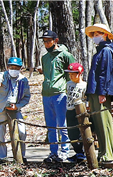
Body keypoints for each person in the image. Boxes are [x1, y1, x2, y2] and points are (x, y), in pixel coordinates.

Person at [38, 30, 77, 163]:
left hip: (61, 94)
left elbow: (71, 75)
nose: (46, 43)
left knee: (62, 124)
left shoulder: (66, 55)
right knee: (51, 126)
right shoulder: (44, 58)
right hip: (47, 94)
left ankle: (65, 151)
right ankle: (53, 152)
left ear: (56, 40)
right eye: (44, 41)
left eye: (49, 40)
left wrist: (68, 91)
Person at [85, 23, 113, 163]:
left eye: (97, 34)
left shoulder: (106, 51)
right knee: (97, 122)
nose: (95, 37)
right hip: (94, 91)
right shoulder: (99, 51)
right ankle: (102, 152)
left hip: (101, 92)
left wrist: (103, 93)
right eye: (93, 35)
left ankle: (108, 154)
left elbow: (104, 74)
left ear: (105, 35)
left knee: (104, 122)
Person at [0, 57, 30, 162]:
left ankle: (21, 156)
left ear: (20, 68)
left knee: (22, 131)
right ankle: (2, 157)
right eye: (12, 67)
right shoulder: (2, 75)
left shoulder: (23, 80)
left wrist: (17, 106)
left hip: (15, 110)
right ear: (8, 67)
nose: (14, 69)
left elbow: (26, 97)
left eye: (17, 67)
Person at [65, 62, 87, 163]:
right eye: (70, 74)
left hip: (79, 111)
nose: (71, 76)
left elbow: (86, 99)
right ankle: (77, 152)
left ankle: (82, 152)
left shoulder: (84, 85)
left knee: (80, 132)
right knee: (71, 132)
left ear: (79, 73)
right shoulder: (68, 84)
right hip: (69, 110)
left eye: (73, 74)